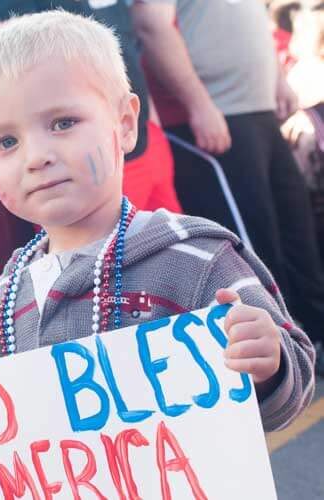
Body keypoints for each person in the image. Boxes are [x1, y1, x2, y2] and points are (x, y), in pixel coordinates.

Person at [0, 11, 315, 497]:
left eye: (63, 122)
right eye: (5, 142)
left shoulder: (197, 259)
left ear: (124, 124)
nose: (36, 156)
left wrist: (269, 363)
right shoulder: (0, 309)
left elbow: (291, 390)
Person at [132, 0, 324, 361]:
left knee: (295, 230)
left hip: (257, 108)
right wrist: (199, 104)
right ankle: (283, 351)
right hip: (215, 113)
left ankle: (313, 336)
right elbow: (150, 24)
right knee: (255, 244)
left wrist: (278, 81)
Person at [0, 0, 182, 214]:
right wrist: (64, 125)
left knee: (172, 242)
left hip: (141, 133)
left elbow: (127, 52)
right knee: (105, 246)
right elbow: (17, 77)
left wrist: (151, 124)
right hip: (91, 157)